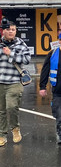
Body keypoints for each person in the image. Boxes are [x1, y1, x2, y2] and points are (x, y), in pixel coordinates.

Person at [0, 18, 31, 147]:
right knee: (1, 110)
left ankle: (15, 128)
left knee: (11, 107)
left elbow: (27, 59)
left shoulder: (20, 44)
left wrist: (11, 53)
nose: (11, 32)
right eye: (8, 30)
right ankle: (2, 134)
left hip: (14, 81)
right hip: (1, 82)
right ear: (3, 31)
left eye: (13, 30)